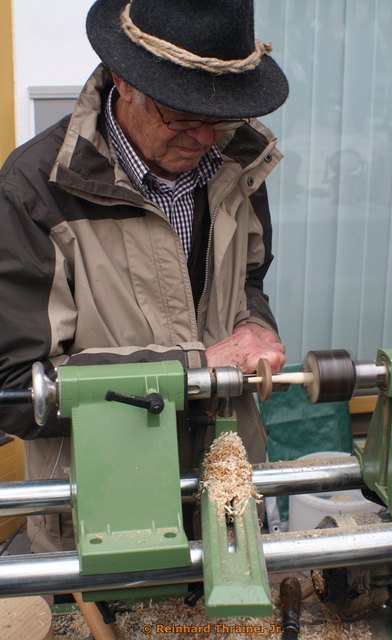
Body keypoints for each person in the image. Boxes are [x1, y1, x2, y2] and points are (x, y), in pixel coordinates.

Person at [0, 0, 288, 553]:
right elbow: (15, 389)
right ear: (123, 80)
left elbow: (250, 279)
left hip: (226, 485)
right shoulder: (34, 190)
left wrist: (255, 326)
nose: (204, 138)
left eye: (220, 116)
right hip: (102, 508)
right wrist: (195, 368)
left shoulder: (238, 161)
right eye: (181, 116)